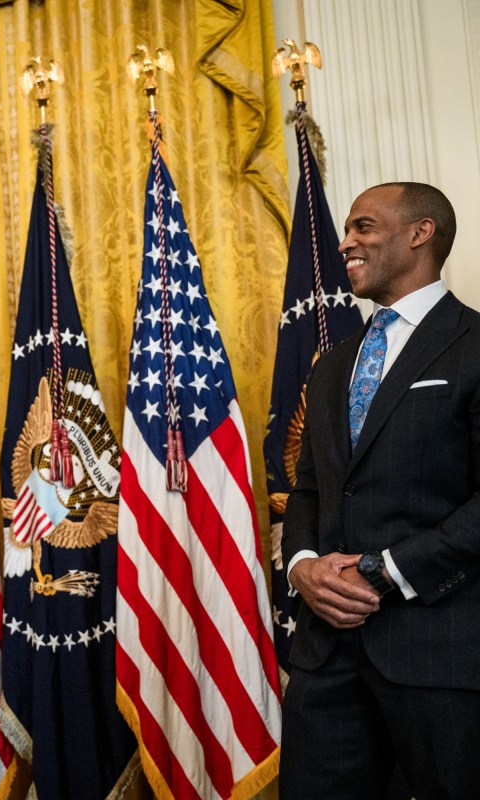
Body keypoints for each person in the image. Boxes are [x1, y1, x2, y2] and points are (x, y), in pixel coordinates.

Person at [279, 182, 480, 799]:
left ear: (421, 233)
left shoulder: (473, 344)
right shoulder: (334, 362)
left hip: (440, 650)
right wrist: (304, 565)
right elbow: (310, 486)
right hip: (326, 656)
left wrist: (387, 570)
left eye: (364, 227)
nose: (346, 243)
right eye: (347, 230)